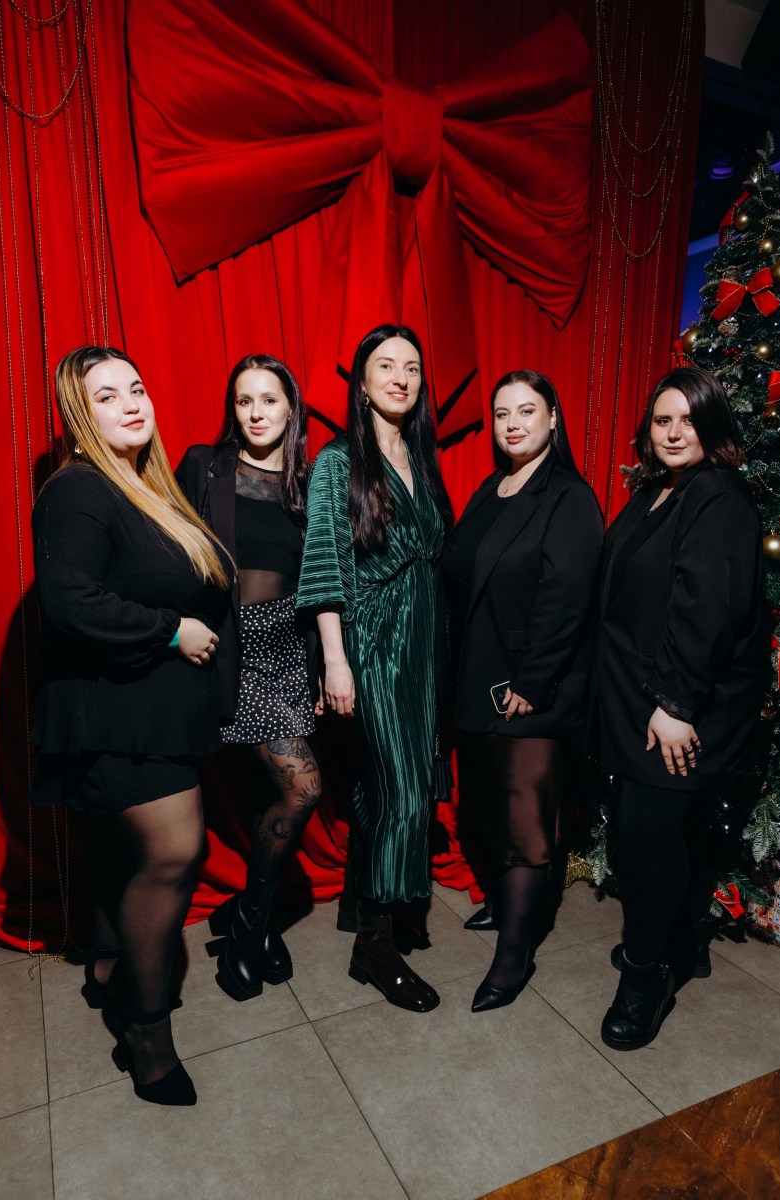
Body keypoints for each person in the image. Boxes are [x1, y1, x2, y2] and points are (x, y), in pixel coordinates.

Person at [30, 346, 233, 1106]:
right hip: (112, 715)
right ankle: (146, 1038)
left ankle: (110, 965)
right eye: (107, 396)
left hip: (149, 712)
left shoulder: (145, 487)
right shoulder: (78, 487)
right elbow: (69, 600)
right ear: (80, 415)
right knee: (176, 852)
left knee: (123, 849)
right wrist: (172, 631)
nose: (131, 403)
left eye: (137, 388)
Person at [595, 365, 767, 1051]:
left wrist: (675, 703)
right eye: (662, 420)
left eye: (688, 420)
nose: (672, 432)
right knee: (670, 830)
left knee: (644, 833)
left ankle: (644, 977)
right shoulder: (658, 490)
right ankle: (684, 941)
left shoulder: (719, 497)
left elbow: (707, 610)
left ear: (712, 426)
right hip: (644, 695)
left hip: (685, 705)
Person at [296, 324, 452, 1012]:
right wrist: (336, 662)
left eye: (411, 367)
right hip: (373, 640)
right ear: (361, 382)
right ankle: (376, 945)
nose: (399, 377)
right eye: (385, 365)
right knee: (403, 789)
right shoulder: (338, 462)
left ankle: (367, 901)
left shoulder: (421, 456)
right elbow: (324, 566)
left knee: (385, 782)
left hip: (422, 642)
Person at [442, 370, 603, 1011]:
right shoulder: (493, 487)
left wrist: (533, 682)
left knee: (527, 821)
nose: (512, 424)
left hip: (531, 689)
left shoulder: (568, 497)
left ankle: (516, 953)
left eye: (527, 411)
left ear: (553, 417)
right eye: (502, 413)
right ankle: (506, 908)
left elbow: (566, 599)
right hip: (477, 682)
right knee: (489, 807)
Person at [176, 354, 322, 1002]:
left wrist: (326, 663)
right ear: (231, 408)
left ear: (291, 408)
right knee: (302, 786)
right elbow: (170, 551)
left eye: (269, 399)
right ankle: (250, 926)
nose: (256, 413)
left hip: (289, 648)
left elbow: (322, 579)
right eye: (244, 401)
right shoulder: (204, 467)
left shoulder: (307, 484)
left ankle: (247, 921)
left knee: (277, 791)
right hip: (235, 649)